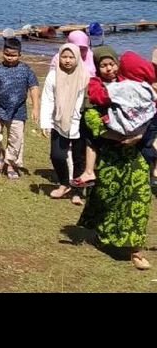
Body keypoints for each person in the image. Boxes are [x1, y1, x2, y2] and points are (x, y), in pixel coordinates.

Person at [77, 47, 152, 270]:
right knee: (107, 196)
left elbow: (149, 110)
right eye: (103, 65)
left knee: (140, 196)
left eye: (112, 64)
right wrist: (116, 135)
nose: (109, 68)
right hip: (110, 152)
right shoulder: (95, 90)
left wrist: (138, 135)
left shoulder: (131, 84)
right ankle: (102, 233)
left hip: (134, 153)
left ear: (118, 64)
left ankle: (136, 250)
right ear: (97, 68)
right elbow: (90, 118)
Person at [0, 38, 40, 179]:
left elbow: (33, 88)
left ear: (20, 55)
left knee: (16, 140)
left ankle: (10, 165)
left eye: (13, 55)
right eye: (7, 54)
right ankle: (1, 154)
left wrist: (35, 108)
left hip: (18, 111)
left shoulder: (26, 70)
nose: (10, 58)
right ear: (2, 52)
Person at [40, 43, 89, 203]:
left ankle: (77, 190)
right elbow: (47, 100)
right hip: (59, 122)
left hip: (80, 123)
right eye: (64, 57)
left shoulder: (85, 75)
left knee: (79, 158)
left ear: (77, 58)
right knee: (57, 156)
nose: (67, 61)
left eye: (71, 57)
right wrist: (45, 123)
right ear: (59, 57)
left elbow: (87, 100)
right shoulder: (53, 76)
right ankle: (64, 183)